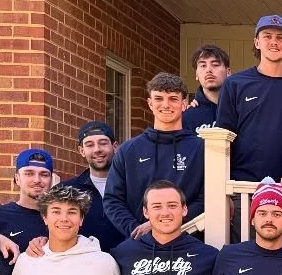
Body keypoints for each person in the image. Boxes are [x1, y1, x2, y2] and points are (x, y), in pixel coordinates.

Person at [103, 73, 205, 237]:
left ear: (184, 104)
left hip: (187, 240)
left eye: (173, 99)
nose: (166, 105)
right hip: (139, 242)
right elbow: (112, 199)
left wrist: (159, 225)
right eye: (159, 98)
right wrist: (136, 230)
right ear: (150, 103)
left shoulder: (201, 149)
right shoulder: (128, 150)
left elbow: (205, 199)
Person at [215, 15, 282, 183]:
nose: (274, 42)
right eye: (267, 36)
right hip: (242, 184)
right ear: (257, 42)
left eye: (280, 37)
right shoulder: (235, 84)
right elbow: (224, 137)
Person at [62, 121, 124, 251]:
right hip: (84, 261)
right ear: (82, 151)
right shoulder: (66, 191)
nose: (97, 150)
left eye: (103, 143)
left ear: (115, 146)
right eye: (90, 145)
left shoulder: (133, 186)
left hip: (129, 260)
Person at [0, 147, 54, 246]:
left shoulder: (60, 219)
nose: (37, 180)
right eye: (29, 173)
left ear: (51, 180)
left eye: (44, 175)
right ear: (17, 179)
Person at [184, 43, 230, 133]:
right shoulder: (186, 116)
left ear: (228, 72)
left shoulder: (241, 110)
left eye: (215, 64)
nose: (208, 70)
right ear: (196, 75)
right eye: (203, 66)